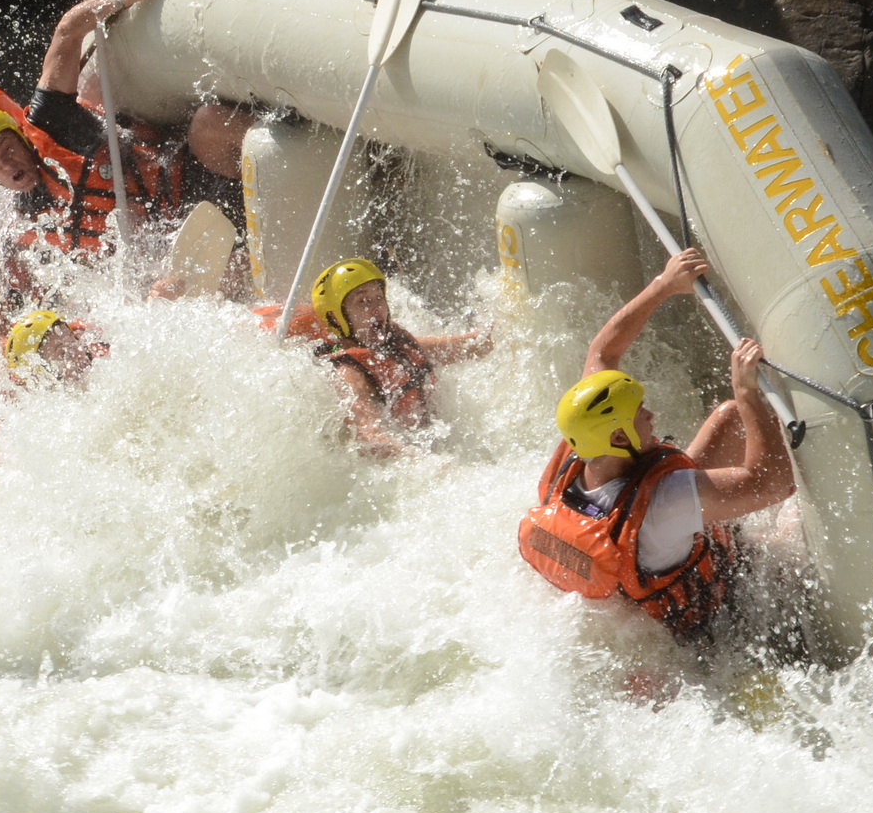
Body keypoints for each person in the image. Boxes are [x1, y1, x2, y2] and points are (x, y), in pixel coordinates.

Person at [517, 249, 796, 641]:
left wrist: (664, 285)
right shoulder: (665, 502)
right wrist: (746, 391)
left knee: (731, 418)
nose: (651, 415)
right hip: (704, 628)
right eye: (639, 413)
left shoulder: (580, 446)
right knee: (790, 529)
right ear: (618, 437)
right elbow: (773, 485)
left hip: (635, 572)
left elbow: (603, 352)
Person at [0, 0, 252, 253]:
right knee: (175, 279)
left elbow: (68, 30)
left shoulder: (50, 121)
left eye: (8, 150)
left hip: (189, 176)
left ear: (22, 138)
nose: (7, 166)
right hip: (180, 230)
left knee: (209, 123)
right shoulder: (24, 223)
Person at [307, 258, 492, 459]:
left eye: (379, 297)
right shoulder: (349, 373)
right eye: (363, 301)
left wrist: (506, 319)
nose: (377, 308)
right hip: (401, 464)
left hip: (435, 445)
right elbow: (372, 439)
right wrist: (426, 463)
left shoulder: (397, 345)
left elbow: (474, 346)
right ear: (336, 318)